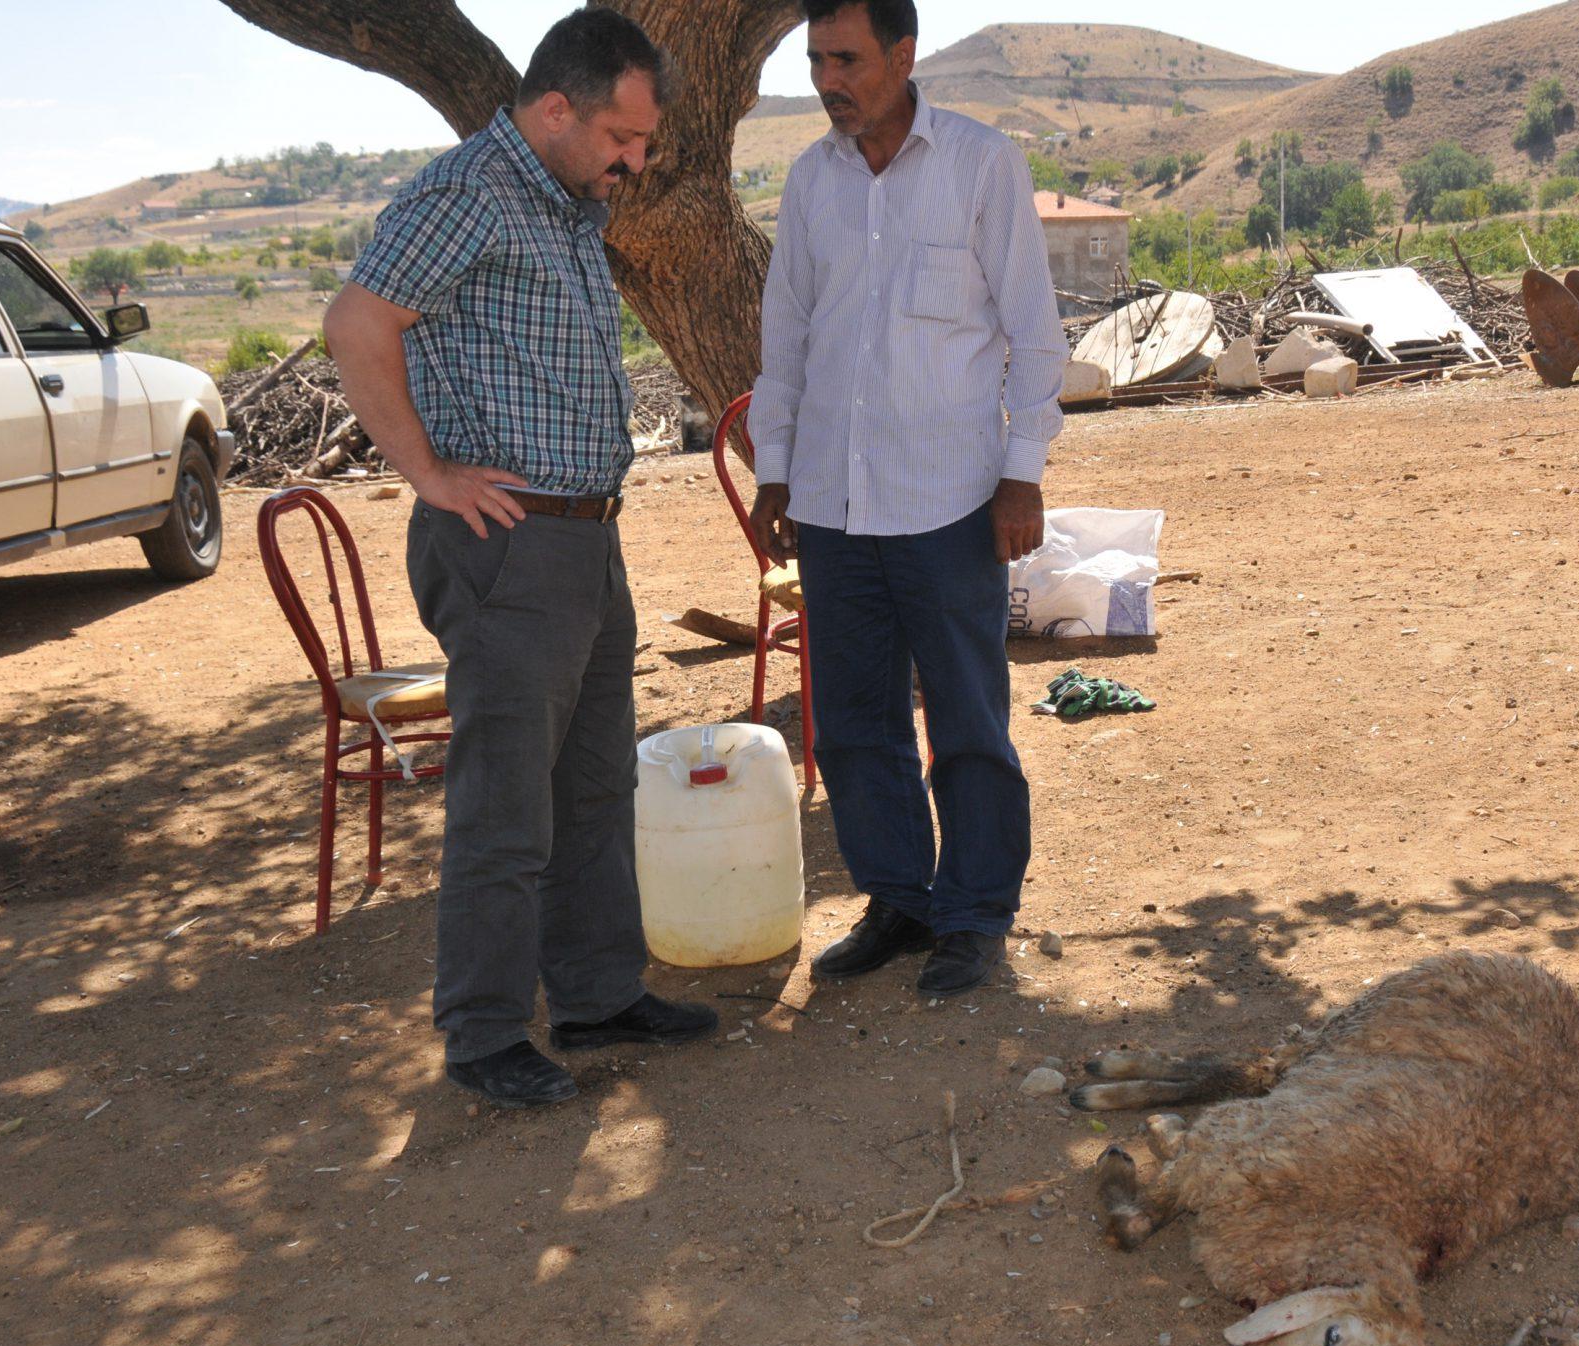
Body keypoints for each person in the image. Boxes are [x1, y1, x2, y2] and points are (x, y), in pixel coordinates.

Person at [325, 8, 716, 1110]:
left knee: (592, 788)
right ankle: (486, 1032)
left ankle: (594, 994)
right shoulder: (469, 193)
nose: (633, 164)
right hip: (506, 545)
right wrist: (431, 476)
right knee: (507, 805)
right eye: (621, 140)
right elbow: (356, 324)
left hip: (585, 538)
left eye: (640, 146)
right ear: (555, 109)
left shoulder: (564, 203)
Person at [748, 0, 1068, 998]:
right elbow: (787, 338)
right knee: (852, 721)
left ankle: (973, 916)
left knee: (968, 718)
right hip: (836, 506)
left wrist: (1022, 472)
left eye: (845, 60)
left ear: (901, 54)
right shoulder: (811, 181)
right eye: (814, 61)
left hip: (950, 502)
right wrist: (774, 468)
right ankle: (900, 900)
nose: (826, 79)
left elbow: (1034, 332)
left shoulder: (980, 165)